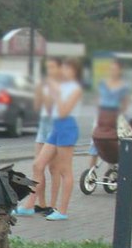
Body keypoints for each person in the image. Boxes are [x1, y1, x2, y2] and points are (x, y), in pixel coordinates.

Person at [15, 58, 83, 220]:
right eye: (64, 68)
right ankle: (29, 205)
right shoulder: (61, 86)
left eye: (68, 69)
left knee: (65, 170)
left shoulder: (75, 89)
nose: (64, 72)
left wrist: (56, 93)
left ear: (75, 72)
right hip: (55, 126)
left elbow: (64, 111)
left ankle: (62, 210)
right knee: (38, 165)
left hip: (67, 126)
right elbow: (48, 108)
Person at [85, 59, 130, 175]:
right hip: (102, 114)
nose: (112, 71)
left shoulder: (123, 87)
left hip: (115, 115)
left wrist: (121, 117)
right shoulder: (103, 83)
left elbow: (125, 104)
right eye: (111, 69)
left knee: (113, 141)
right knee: (96, 140)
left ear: (120, 70)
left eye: (115, 69)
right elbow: (98, 98)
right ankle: (90, 172)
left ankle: (112, 170)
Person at [28, 58, 60, 214]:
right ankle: (41, 203)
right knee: (37, 167)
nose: (50, 71)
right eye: (48, 68)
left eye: (53, 67)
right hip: (43, 127)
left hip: (55, 127)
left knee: (54, 168)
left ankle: (53, 205)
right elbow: (37, 106)